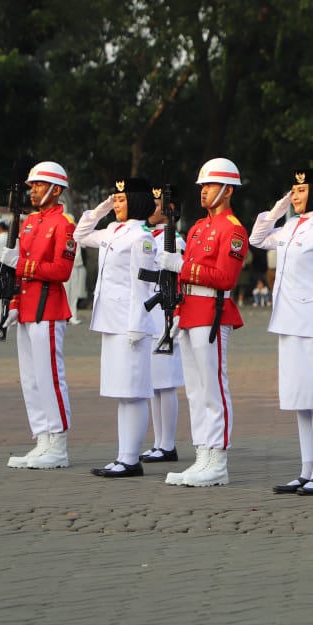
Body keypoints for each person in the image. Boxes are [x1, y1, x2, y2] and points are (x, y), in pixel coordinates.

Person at [251, 168, 313, 496]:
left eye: (302, 190)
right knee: (301, 400)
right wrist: (280, 207)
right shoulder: (291, 226)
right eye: (293, 189)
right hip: (290, 322)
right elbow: (257, 238)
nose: (295, 195)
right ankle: (306, 470)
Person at [156, 157, 250, 487]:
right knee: (195, 391)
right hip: (189, 310)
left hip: (212, 312)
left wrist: (180, 266)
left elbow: (225, 277)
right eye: (203, 186)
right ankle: (202, 456)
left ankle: (218, 459)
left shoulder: (234, 229)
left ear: (227, 190)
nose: (204, 191)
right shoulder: (198, 228)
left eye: (209, 185)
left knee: (213, 388)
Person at [74, 177, 160, 477]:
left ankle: (131, 459)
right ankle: (124, 455)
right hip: (110, 321)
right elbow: (80, 234)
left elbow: (144, 286)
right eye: (116, 200)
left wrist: (138, 325)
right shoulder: (113, 230)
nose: (117, 205)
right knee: (121, 393)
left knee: (134, 392)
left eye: (122, 200)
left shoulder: (142, 238)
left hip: (129, 323)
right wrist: (101, 209)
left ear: (136, 201)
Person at [4, 161, 77, 470]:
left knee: (49, 378)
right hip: (28, 307)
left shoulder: (64, 225)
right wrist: (14, 303)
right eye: (31, 185)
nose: (32, 190)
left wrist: (21, 266)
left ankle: (58, 443)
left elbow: (62, 270)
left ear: (55, 190)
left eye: (38, 185)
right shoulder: (30, 221)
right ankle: (42, 438)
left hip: (48, 307)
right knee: (30, 379)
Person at [141, 186, 186, 464]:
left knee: (166, 383)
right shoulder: (149, 236)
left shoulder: (175, 241)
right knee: (154, 383)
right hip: (152, 314)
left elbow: (177, 276)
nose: (151, 208)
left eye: (157, 205)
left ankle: (168, 443)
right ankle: (158, 442)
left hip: (166, 315)